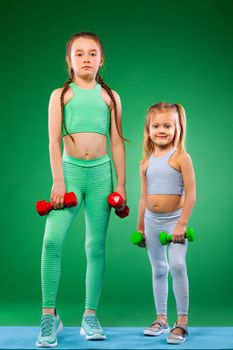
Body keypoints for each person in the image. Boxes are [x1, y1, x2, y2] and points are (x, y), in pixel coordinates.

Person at [36, 32, 127, 347]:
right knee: (52, 241)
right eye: (79, 53)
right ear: (69, 60)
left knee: (95, 247)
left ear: (102, 59)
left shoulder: (110, 97)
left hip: (101, 175)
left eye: (92, 53)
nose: (86, 58)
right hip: (70, 173)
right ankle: (49, 315)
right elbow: (53, 139)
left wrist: (121, 184)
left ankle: (90, 315)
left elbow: (116, 142)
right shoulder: (60, 96)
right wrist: (58, 179)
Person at [137, 102, 196, 344]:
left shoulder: (181, 157)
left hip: (175, 221)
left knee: (178, 265)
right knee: (159, 269)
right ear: (148, 130)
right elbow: (143, 197)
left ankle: (181, 321)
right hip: (152, 221)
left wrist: (182, 223)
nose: (161, 130)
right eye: (156, 126)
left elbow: (191, 194)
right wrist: (140, 227)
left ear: (178, 128)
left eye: (168, 126)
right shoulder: (145, 162)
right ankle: (161, 318)